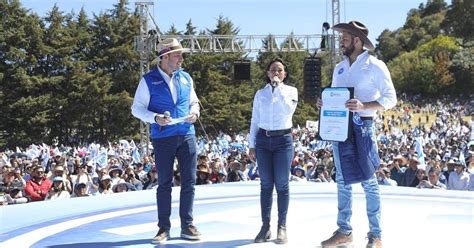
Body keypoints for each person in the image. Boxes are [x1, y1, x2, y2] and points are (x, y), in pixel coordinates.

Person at [318, 21, 397, 248]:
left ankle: (376, 234)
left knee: (369, 182)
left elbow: (390, 99)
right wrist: (325, 102)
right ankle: (344, 230)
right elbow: (335, 96)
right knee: (342, 181)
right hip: (341, 129)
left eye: (344, 37)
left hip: (363, 126)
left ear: (356, 40)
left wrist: (364, 106)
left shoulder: (376, 65)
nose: (340, 41)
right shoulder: (339, 68)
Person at [131, 38, 201, 244]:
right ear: (165, 57)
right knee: (164, 183)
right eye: (177, 54)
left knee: (189, 181)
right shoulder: (148, 79)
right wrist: (155, 118)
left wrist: (194, 113)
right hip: (163, 137)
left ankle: (187, 224)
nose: (181, 58)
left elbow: (194, 102)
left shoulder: (186, 77)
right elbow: (136, 108)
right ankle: (163, 228)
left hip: (187, 133)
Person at [249, 58, 298, 244]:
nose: (276, 73)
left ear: (284, 74)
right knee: (266, 185)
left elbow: (288, 111)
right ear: (268, 73)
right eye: (273, 70)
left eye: (280, 70)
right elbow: (254, 119)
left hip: (283, 141)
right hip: (263, 140)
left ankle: (282, 226)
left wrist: (278, 90)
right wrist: (251, 144)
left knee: (282, 184)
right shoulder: (260, 94)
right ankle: (265, 226)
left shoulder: (291, 92)